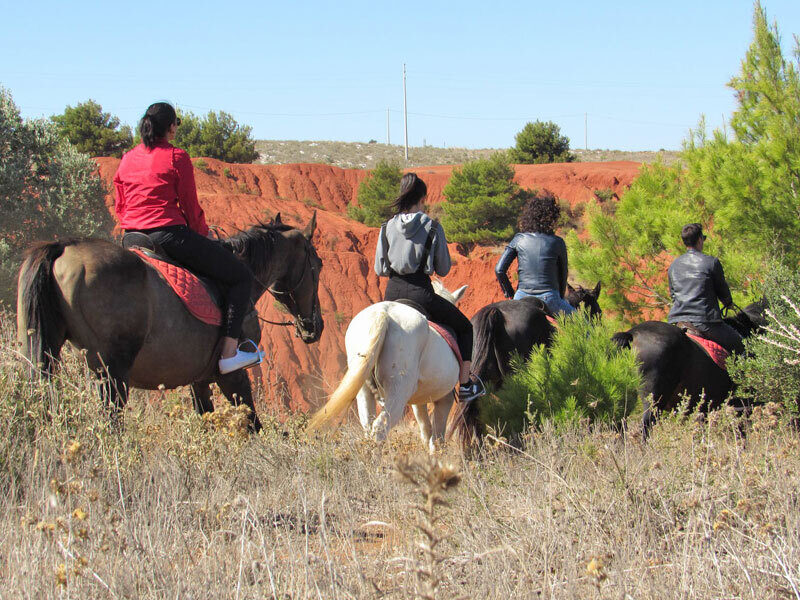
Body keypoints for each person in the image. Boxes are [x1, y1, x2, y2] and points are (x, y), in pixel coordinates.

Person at [113, 102, 263, 374]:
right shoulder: (176, 157)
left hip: (131, 238)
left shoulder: (127, 158)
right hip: (168, 235)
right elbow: (190, 207)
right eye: (176, 124)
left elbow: (120, 205)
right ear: (171, 127)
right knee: (240, 276)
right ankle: (229, 353)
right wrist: (203, 235)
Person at [374, 173, 485, 402]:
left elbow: (380, 269)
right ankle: (465, 385)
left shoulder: (386, 227)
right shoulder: (432, 226)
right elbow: (443, 269)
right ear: (422, 198)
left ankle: (373, 381)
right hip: (421, 293)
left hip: (392, 294)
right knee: (465, 328)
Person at [667, 223, 744, 354]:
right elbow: (722, 290)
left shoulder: (673, 266)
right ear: (699, 240)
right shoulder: (711, 262)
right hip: (706, 322)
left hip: (680, 322)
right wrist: (728, 303)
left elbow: (673, 295)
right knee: (744, 346)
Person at [494, 194, 575, 315]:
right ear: (552, 218)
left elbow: (499, 269)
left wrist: (510, 295)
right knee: (584, 325)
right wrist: (560, 298)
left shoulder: (519, 239)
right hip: (549, 298)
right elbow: (563, 275)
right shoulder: (557, 242)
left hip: (521, 297)